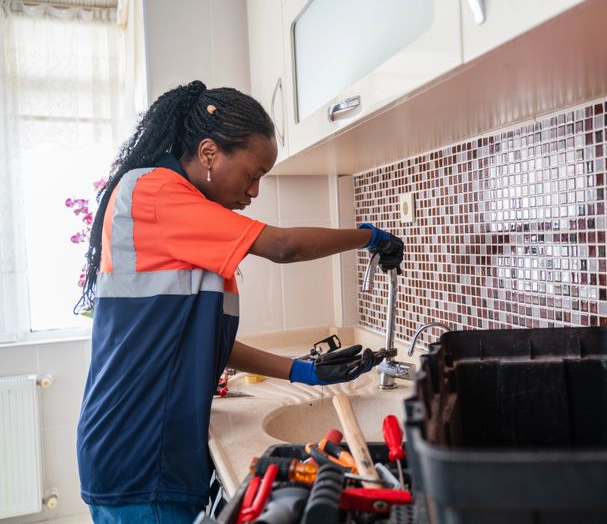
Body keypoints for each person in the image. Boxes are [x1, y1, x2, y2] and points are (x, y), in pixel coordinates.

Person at [75, 80, 403, 523]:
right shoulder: (155, 193)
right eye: (253, 175)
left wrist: (302, 371)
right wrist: (370, 237)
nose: (253, 192)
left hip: (150, 444)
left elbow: (202, 342)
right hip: (138, 450)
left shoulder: (183, 217)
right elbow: (283, 246)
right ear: (209, 153)